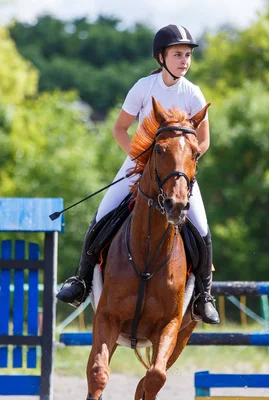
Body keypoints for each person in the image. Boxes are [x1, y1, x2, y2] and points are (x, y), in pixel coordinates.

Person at [56, 24, 220, 324]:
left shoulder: (193, 93)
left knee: (202, 228)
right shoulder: (144, 88)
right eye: (177, 55)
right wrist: (140, 159)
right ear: (161, 57)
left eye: (187, 55)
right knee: (102, 215)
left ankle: (203, 297)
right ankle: (81, 282)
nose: (184, 61)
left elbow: (204, 139)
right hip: (138, 167)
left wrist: (184, 165)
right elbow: (119, 128)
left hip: (178, 176)